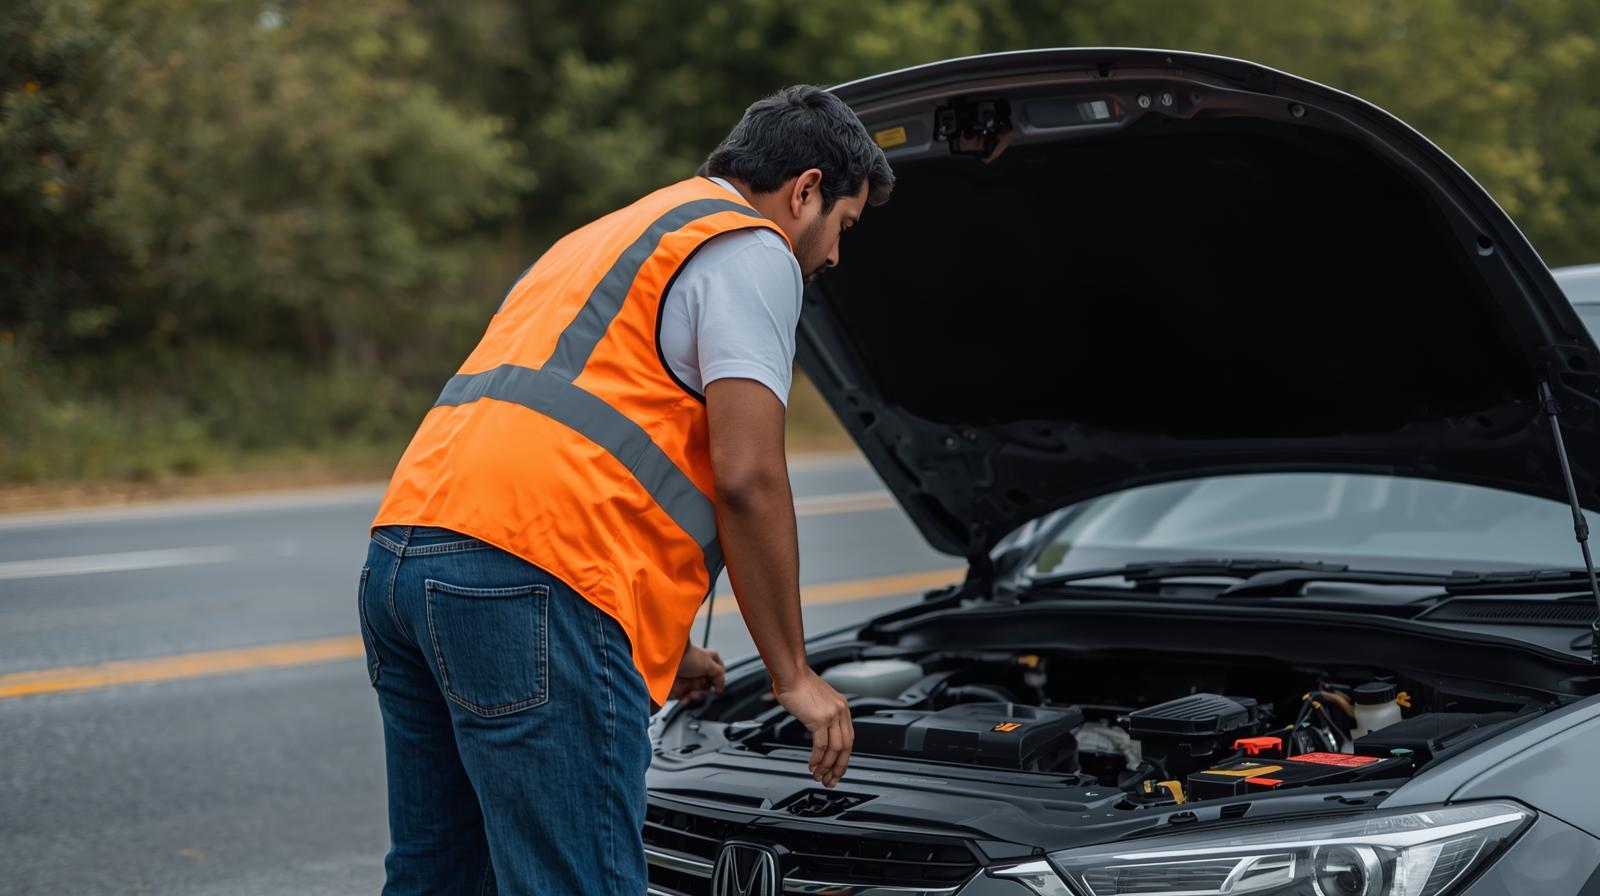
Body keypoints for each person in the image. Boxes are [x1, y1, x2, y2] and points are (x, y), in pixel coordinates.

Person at [356, 84, 895, 895]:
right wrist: (793, 675)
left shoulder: (609, 235)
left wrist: (663, 643)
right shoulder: (752, 249)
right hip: (533, 579)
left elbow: (591, 426)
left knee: (438, 875)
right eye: (843, 229)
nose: (833, 257)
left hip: (405, 558)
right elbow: (748, 478)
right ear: (806, 190)